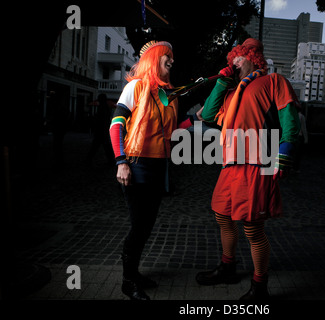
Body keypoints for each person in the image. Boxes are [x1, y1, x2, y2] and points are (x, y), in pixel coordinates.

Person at [195, 38, 301, 300]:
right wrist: (221, 81)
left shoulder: (274, 82)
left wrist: (285, 153)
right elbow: (207, 116)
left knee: (253, 228)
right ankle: (228, 267)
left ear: (252, 57)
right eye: (231, 60)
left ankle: (260, 286)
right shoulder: (230, 93)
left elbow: (290, 118)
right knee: (223, 216)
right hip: (230, 164)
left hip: (258, 164)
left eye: (238, 59)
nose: (233, 63)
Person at [109, 40, 179, 300]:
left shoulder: (165, 94)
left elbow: (171, 127)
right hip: (136, 165)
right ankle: (128, 281)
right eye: (167, 56)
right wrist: (121, 162)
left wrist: (197, 117)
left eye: (172, 57)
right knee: (139, 226)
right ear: (154, 59)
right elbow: (116, 125)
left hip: (158, 165)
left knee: (147, 225)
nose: (172, 61)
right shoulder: (135, 87)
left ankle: (134, 274)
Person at [86, 94, 114, 166]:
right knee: (105, 147)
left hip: (101, 131)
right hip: (103, 130)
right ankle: (111, 160)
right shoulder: (106, 107)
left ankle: (89, 159)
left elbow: (101, 120)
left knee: (96, 146)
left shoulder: (102, 108)